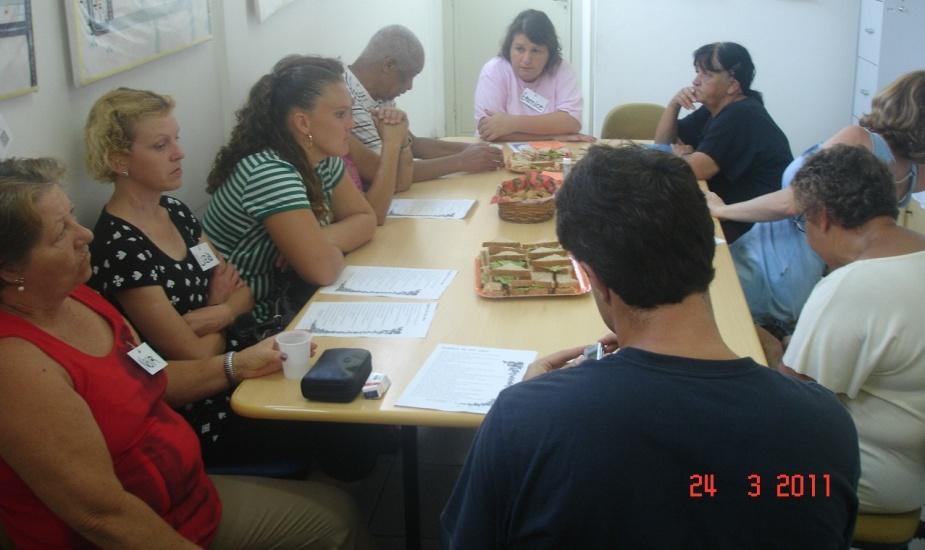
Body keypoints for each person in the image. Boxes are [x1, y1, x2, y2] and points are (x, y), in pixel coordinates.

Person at [440, 145, 859, 549]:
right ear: (708, 254)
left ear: (595, 279)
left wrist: (530, 400)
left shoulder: (523, 420)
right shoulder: (826, 427)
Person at [0, 157, 373, 549]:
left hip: (186, 497)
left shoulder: (82, 297)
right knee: (336, 508)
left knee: (339, 514)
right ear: (9, 269)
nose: (85, 235)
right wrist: (227, 315)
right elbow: (103, 517)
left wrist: (237, 363)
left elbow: (153, 376)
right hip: (142, 527)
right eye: (61, 232)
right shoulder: (17, 364)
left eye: (74, 217)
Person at [709, 70, 925, 333]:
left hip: (770, 266)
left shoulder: (858, 139)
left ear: (897, 100)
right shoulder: (913, 171)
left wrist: (722, 209)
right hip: (807, 281)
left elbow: (791, 202)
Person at [776, 145, 925, 515]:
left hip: (863, 475)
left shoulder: (850, 285)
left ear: (822, 218)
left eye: (802, 223)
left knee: (704, 480)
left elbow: (788, 408)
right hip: (912, 467)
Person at [204, 55, 377, 325]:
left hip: (294, 302)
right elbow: (324, 270)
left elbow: (366, 220)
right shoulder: (270, 171)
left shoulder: (322, 158)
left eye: (350, 112)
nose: (351, 124)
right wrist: (319, 248)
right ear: (303, 122)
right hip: (256, 321)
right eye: (340, 114)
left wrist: (319, 239)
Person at [346, 24, 503, 204]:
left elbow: (414, 144)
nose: (409, 86)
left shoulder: (378, 94)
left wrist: (479, 152)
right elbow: (388, 173)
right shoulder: (347, 99)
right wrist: (460, 162)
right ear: (388, 65)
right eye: (408, 76)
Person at [654, 41, 792, 242]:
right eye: (697, 72)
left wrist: (684, 156)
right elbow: (663, 144)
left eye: (707, 74)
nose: (695, 81)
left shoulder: (741, 114)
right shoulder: (716, 108)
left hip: (756, 231)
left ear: (733, 85)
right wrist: (674, 105)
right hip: (730, 212)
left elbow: (692, 169)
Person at [473, 9, 590, 142]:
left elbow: (572, 123)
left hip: (552, 154)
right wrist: (554, 137)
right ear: (509, 48)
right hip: (498, 152)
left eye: (536, 50)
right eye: (519, 49)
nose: (526, 59)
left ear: (549, 54)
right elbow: (490, 132)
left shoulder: (561, 68)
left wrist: (512, 123)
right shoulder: (494, 70)